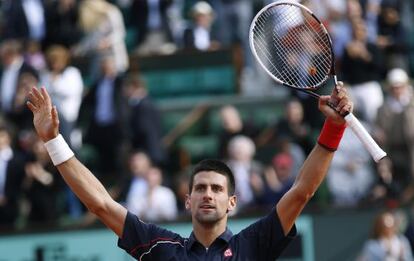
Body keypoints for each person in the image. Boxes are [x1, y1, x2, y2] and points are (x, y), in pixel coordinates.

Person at [27, 82, 352, 260]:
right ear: (188, 201)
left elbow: (302, 191)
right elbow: (100, 204)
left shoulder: (252, 245)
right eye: (200, 188)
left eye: (217, 189)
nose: (208, 194)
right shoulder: (159, 246)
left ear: (232, 202)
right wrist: (54, 141)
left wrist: (334, 128)